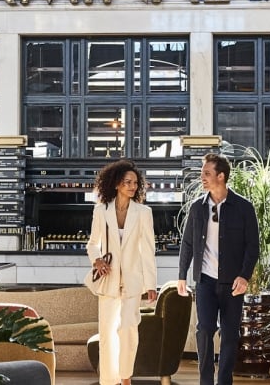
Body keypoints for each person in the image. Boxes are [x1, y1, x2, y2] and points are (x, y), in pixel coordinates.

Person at [177, 152, 260, 385]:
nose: (202, 177)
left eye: (206, 173)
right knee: (204, 330)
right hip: (205, 281)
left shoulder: (244, 208)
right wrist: (182, 276)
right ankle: (206, 381)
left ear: (221, 176)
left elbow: (253, 247)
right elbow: (188, 243)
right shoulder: (197, 208)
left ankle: (224, 381)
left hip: (233, 283)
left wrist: (244, 276)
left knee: (230, 334)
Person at [87, 159, 158, 385]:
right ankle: (108, 381)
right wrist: (96, 259)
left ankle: (125, 377)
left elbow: (148, 250)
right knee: (107, 334)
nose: (132, 186)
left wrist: (151, 285)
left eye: (135, 183)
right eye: (127, 182)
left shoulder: (143, 212)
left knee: (128, 328)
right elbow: (92, 244)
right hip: (108, 281)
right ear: (117, 184)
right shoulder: (101, 210)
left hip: (133, 281)